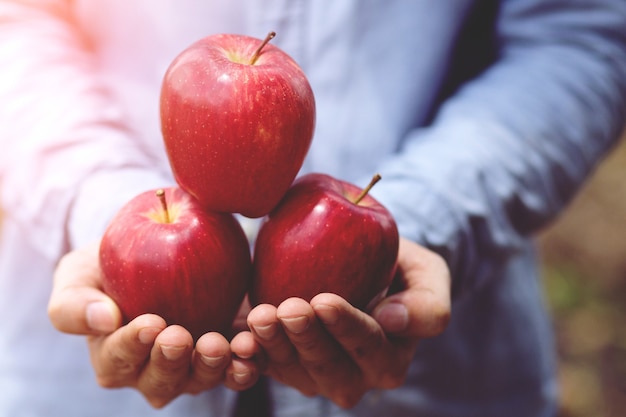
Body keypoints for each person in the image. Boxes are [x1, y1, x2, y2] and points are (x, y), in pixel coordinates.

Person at [1, 1, 625, 416]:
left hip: (435, 365)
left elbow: (585, 34)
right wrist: (99, 204)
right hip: (76, 365)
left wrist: (425, 219)